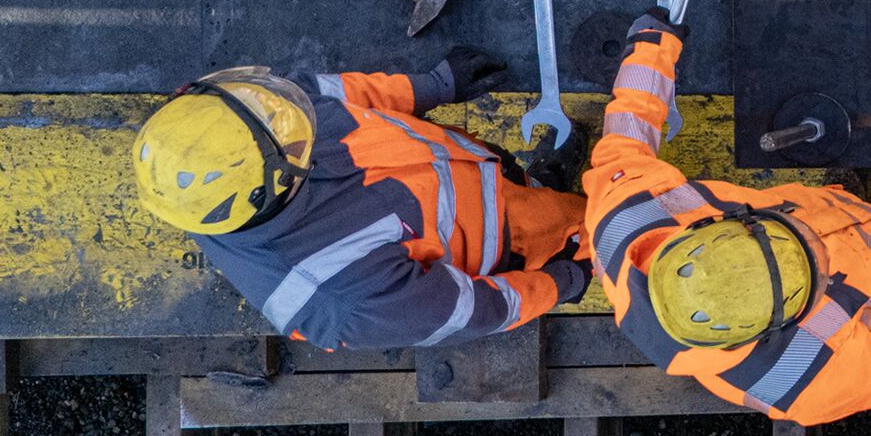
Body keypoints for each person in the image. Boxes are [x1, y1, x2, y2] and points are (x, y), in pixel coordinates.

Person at [581, 9, 871, 424]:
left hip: (818, 208)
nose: (816, 242)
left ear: (715, 226)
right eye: (819, 272)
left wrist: (651, 45)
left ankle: (840, 197)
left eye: (789, 235)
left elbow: (627, 131)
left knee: (823, 207)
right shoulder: (803, 384)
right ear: (776, 327)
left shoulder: (629, 215)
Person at [130, 51, 591, 351]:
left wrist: (433, 86)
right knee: (596, 228)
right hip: (514, 243)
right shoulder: (340, 296)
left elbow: (328, 93)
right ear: (276, 183)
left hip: (477, 171)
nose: (291, 111)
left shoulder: (256, 121)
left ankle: (541, 184)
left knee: (535, 190)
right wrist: (562, 281)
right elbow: (470, 310)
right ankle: (573, 230)